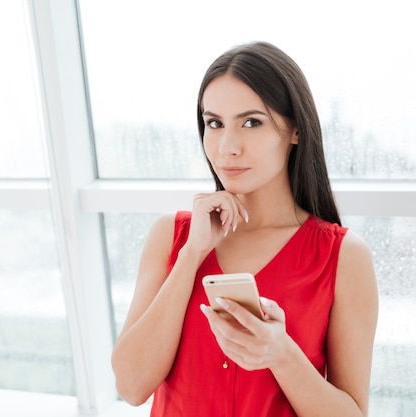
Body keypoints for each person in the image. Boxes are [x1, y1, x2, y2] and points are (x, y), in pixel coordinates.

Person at [111, 41, 378, 417]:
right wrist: (191, 257)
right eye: (214, 124)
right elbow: (131, 385)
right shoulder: (171, 238)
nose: (227, 147)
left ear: (295, 130)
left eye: (251, 122)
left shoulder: (343, 257)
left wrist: (281, 355)